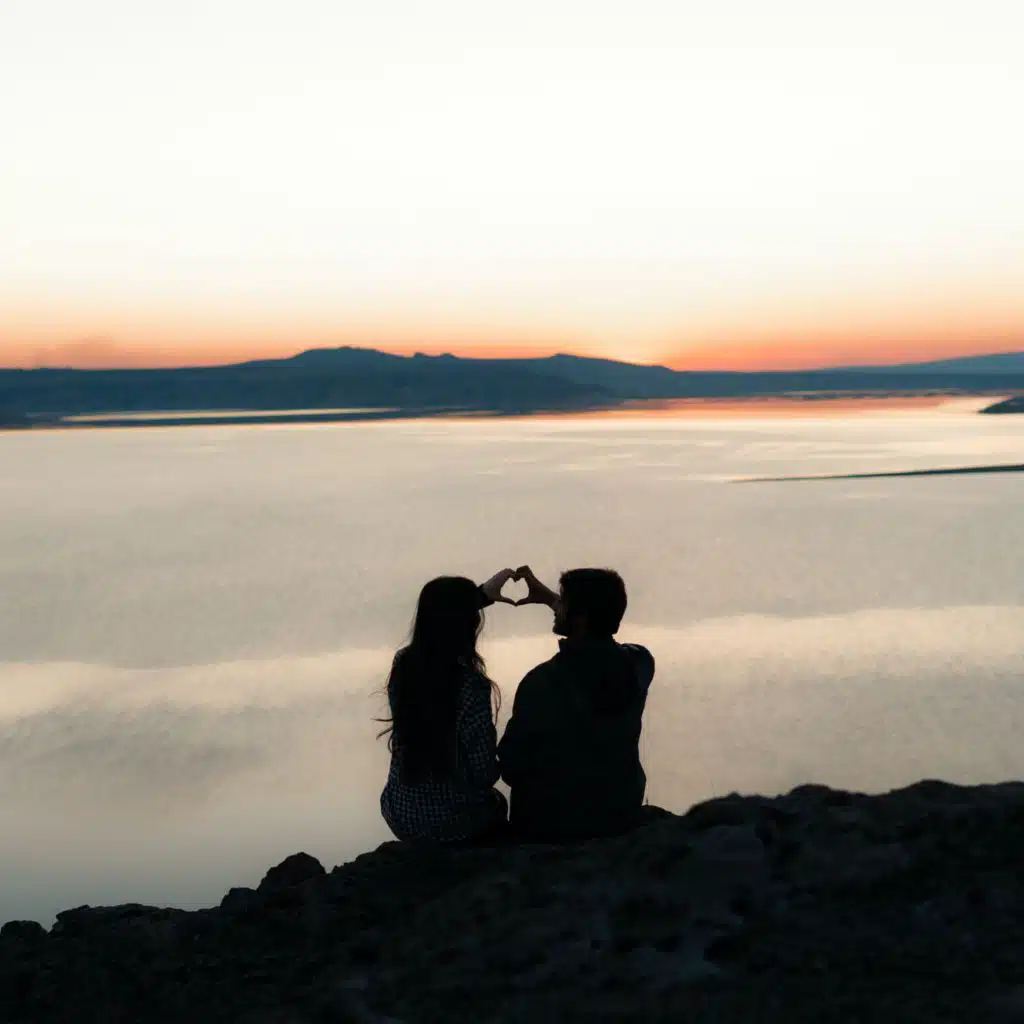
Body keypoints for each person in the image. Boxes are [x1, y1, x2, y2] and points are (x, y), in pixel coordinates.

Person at [497, 566, 655, 842]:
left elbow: (511, 765)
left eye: (563, 602)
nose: (557, 607)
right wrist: (551, 599)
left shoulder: (541, 682)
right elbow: (599, 637)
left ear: (579, 617)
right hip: (618, 813)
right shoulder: (639, 664)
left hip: (550, 824)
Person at [379, 569, 517, 844]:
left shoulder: (403, 665)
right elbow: (483, 773)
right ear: (468, 625)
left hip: (401, 815)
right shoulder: (471, 686)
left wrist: (481, 595)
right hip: (454, 825)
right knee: (497, 803)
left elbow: (444, 615)